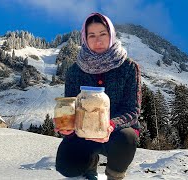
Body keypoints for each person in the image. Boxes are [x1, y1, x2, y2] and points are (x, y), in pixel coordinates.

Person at [55, 12, 141, 180]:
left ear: (111, 35)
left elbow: (132, 110)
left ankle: (114, 175)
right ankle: (89, 166)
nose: (98, 40)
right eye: (92, 35)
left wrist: (109, 125)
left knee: (128, 138)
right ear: (85, 38)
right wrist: (67, 126)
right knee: (66, 165)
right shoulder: (75, 71)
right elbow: (71, 106)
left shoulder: (129, 67)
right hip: (83, 133)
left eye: (103, 34)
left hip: (116, 133)